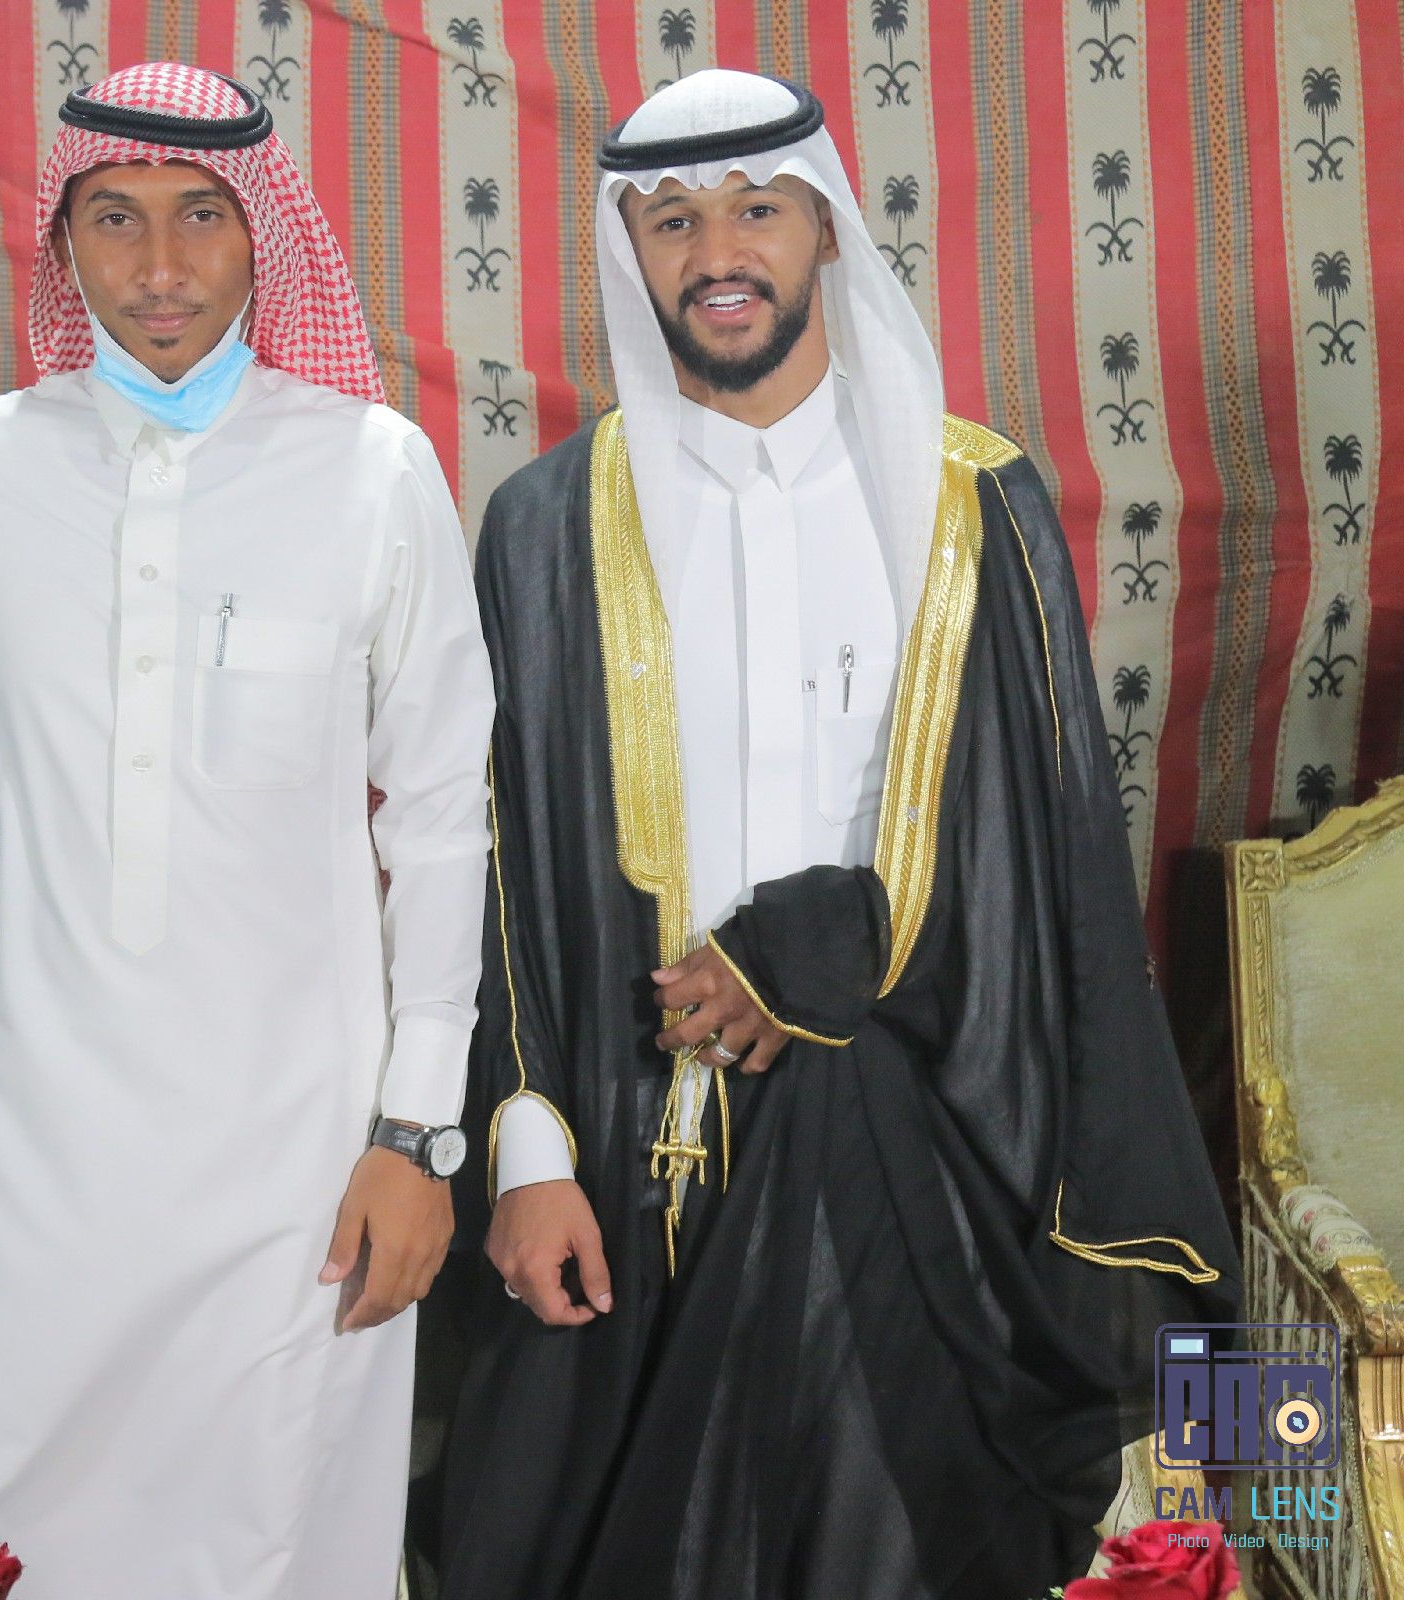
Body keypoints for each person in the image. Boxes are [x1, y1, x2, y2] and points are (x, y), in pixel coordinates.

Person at [436, 69, 1237, 1599]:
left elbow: (1048, 853)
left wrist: (808, 947)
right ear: (630, 252)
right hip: (629, 1138)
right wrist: (526, 1152)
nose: (717, 251)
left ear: (825, 228)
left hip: (920, 1126)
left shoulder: (972, 501)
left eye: (757, 208)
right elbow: (499, 867)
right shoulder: (546, 523)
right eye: (672, 221)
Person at [0, 63, 492, 1600]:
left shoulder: (372, 471)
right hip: (26, 1143)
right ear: (63, 242)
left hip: (300, 1155)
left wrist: (417, 1135)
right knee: (1, 1534)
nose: (159, 267)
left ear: (262, 238)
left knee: (274, 1541)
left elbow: (445, 817)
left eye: (200, 217)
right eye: (115, 219)